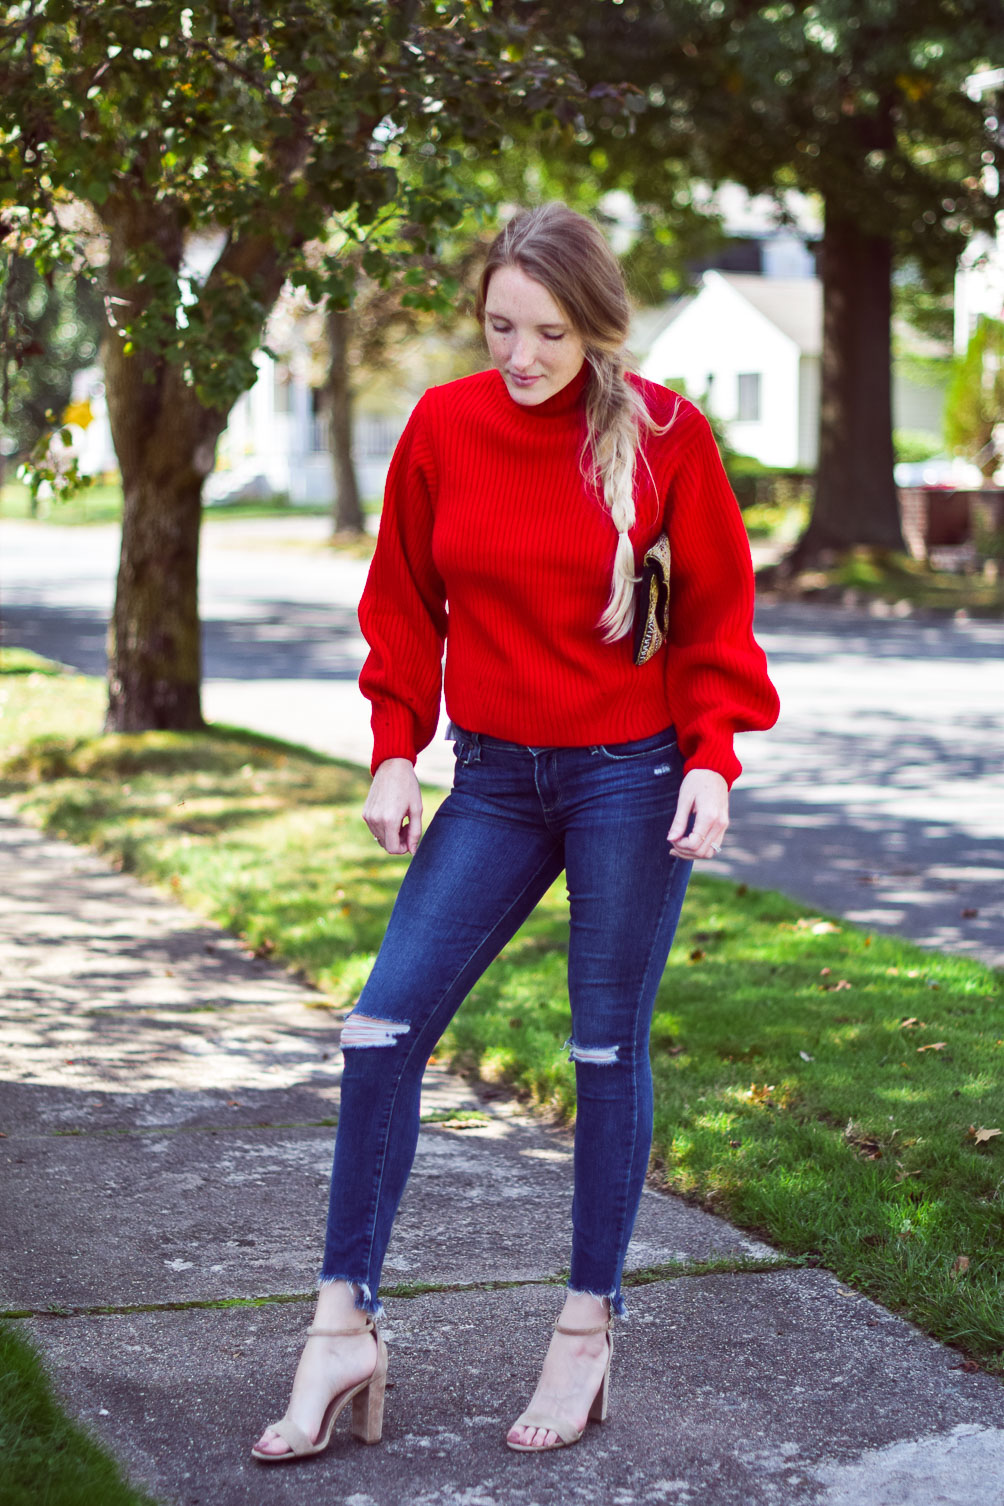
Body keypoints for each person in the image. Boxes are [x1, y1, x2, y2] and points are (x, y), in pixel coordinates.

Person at [252, 202, 779, 1463]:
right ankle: (341, 1331)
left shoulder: (663, 434)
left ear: (593, 323)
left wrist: (710, 758)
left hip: (627, 778)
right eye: (499, 327)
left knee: (601, 1050)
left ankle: (585, 1332)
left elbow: (712, 611)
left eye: (547, 331)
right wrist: (393, 748)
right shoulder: (442, 426)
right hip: (489, 777)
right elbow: (403, 602)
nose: (521, 355)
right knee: (379, 1025)